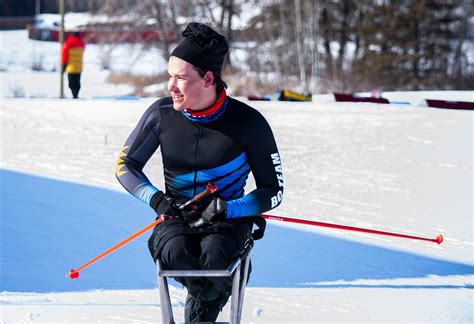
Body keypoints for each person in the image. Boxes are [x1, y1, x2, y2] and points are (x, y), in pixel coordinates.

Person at [116, 22, 284, 322]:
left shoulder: (249, 122)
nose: (170, 86)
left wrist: (227, 209)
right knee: (175, 252)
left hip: (227, 222)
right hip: (176, 216)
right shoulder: (161, 114)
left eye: (180, 78)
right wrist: (157, 201)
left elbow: (273, 190)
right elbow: (125, 166)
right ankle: (206, 300)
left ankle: (203, 307)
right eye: (170, 77)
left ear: (208, 79)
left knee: (215, 255)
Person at [61, 32, 85, 99]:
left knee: (71, 83)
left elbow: (64, 54)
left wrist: (64, 64)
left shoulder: (68, 43)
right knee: (77, 82)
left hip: (71, 66)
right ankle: (76, 95)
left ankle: (74, 95)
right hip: (79, 66)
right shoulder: (81, 43)